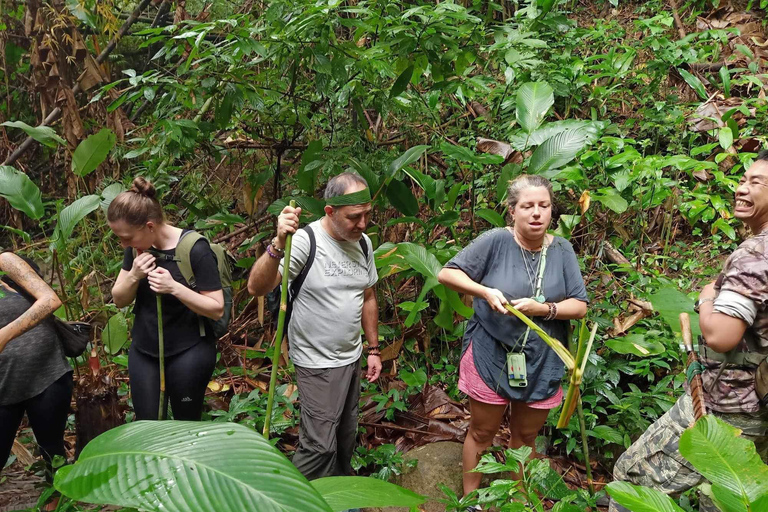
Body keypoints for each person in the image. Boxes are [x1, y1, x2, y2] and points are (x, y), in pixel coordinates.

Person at [610, 151, 768, 512]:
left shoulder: (757, 254)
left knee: (631, 483)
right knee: (731, 498)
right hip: (759, 407)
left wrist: (706, 298)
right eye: (742, 179)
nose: (742, 189)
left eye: (756, 183)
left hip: (725, 409)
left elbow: (721, 336)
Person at [437, 174, 588, 503]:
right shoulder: (495, 241)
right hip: (491, 352)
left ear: (552, 211)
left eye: (544, 206)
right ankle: (472, 501)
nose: (536, 213)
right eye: (528, 206)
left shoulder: (562, 250)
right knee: (481, 432)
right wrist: (484, 290)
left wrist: (543, 308)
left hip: (543, 358)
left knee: (525, 436)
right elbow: (447, 273)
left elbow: (579, 306)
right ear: (513, 211)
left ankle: (518, 502)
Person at [247, 171, 381, 484]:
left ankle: (337, 496)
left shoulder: (363, 244)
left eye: (367, 215)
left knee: (346, 437)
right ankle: (286, 501)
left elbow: (368, 295)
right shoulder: (305, 243)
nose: (362, 224)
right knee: (319, 445)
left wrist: (373, 348)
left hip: (351, 357)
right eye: (354, 217)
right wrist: (279, 242)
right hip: (316, 362)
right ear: (330, 212)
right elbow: (257, 286)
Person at [108, 177, 224, 421]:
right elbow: (119, 299)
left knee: (185, 425)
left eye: (127, 237)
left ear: (149, 226)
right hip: (145, 350)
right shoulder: (136, 249)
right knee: (147, 425)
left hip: (189, 350)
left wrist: (174, 288)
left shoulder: (195, 248)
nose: (123, 244)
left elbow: (216, 309)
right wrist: (134, 275)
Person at [0, 252, 72, 499]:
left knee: (52, 450)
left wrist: (5, 335)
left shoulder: (5, 262)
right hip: (3, 382)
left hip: (44, 372)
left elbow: (49, 301)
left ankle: (59, 501)